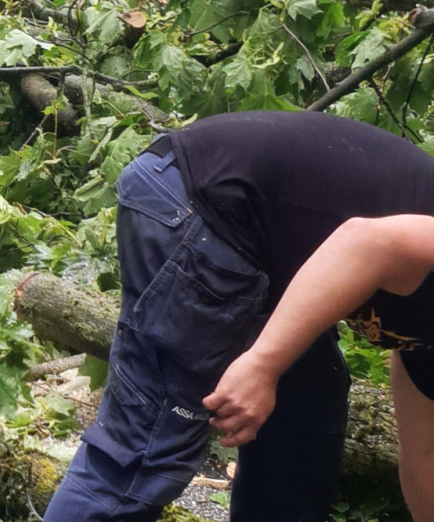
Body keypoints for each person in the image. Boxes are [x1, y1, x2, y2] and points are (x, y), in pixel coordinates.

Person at [43, 110, 434, 522]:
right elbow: (368, 243)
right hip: (204, 203)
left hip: (251, 235)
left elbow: (424, 454)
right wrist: (263, 364)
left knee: (305, 415)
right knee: (143, 452)